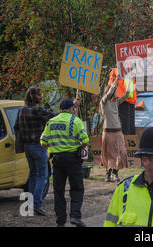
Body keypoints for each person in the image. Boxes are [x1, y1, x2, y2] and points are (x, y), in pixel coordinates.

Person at [40, 98, 89, 227]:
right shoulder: (75, 120)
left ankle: (60, 222)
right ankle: (74, 216)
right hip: (72, 159)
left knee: (59, 190)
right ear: (71, 108)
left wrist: (55, 147)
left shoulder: (51, 122)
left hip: (57, 159)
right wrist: (80, 147)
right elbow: (85, 140)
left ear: (61, 109)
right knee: (77, 188)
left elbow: (43, 142)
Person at [14, 86, 55, 216]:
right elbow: (55, 117)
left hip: (26, 147)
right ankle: (37, 204)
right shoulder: (38, 110)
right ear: (33, 96)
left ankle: (28, 205)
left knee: (32, 175)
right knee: (42, 176)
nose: (41, 97)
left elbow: (16, 127)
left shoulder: (21, 111)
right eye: (39, 95)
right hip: (38, 146)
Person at [100, 76, 131, 182]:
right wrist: (115, 82)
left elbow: (127, 94)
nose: (116, 92)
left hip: (118, 131)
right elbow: (108, 94)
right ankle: (108, 174)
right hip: (107, 132)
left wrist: (130, 82)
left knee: (121, 152)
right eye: (114, 90)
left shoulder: (116, 102)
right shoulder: (103, 101)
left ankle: (115, 173)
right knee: (108, 153)